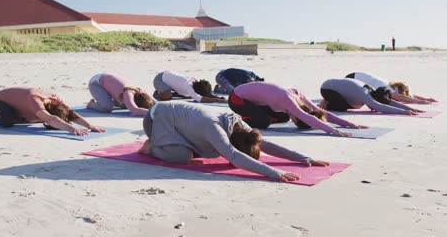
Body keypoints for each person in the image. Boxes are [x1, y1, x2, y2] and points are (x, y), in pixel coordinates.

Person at [139, 101, 330, 182]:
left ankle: (171, 141)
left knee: (201, 149)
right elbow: (234, 155)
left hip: (181, 122)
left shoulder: (238, 126)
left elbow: (264, 143)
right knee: (183, 157)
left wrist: (303, 158)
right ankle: (151, 146)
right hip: (155, 118)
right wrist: (274, 173)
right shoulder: (214, 127)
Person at [228, 82, 366, 137]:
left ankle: (254, 115)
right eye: (296, 122)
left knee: (283, 117)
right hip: (237, 98)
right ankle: (239, 119)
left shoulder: (299, 95)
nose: (293, 122)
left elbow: (320, 112)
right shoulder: (289, 101)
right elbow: (307, 117)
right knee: (264, 121)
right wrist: (334, 131)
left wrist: (349, 124)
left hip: (253, 100)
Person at [0, 87, 106, 135]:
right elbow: (51, 119)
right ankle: (11, 116)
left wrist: (89, 126)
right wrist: (72, 129)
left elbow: (71, 113)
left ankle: (22, 114)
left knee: (38, 116)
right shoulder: (35, 100)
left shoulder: (55, 99)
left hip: (21, 102)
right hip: (0, 101)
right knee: (6, 123)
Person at [319, 78, 424, 115]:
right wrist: (403, 112)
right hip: (327, 88)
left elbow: (388, 102)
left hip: (336, 86)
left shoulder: (374, 90)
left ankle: (328, 101)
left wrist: (411, 108)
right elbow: (380, 107)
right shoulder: (365, 94)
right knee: (344, 108)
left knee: (356, 104)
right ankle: (325, 104)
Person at [86, 73, 156, 116]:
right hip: (96, 83)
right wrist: (152, 113)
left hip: (107, 82)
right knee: (107, 108)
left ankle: (107, 100)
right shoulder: (128, 93)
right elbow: (135, 110)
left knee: (126, 105)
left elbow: (156, 102)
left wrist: (163, 110)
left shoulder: (142, 91)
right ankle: (91, 105)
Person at [345, 72, 437, 104]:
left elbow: (406, 96)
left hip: (354, 76)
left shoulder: (390, 84)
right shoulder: (386, 87)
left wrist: (425, 98)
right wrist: (420, 102)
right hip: (352, 78)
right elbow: (400, 97)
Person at [152, 70, 226, 103]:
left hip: (167, 77)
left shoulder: (195, 82)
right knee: (168, 97)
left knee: (188, 95)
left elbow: (206, 94)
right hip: (159, 80)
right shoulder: (188, 87)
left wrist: (217, 97)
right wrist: (218, 100)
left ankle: (170, 92)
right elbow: (200, 98)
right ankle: (158, 94)